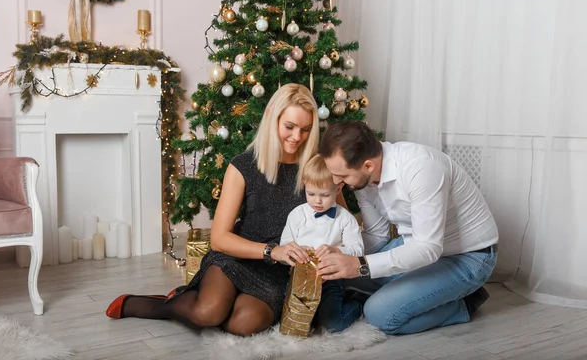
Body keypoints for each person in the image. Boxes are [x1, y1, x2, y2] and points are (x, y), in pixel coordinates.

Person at [105, 83, 320, 336]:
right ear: (273, 116)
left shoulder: (316, 169)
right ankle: (161, 304)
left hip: (279, 271)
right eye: (290, 127)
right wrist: (273, 251)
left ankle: (201, 298)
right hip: (237, 256)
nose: (297, 137)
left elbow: (340, 219)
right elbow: (219, 239)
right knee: (208, 312)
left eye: (306, 130)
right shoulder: (244, 165)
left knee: (243, 324)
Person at [316, 120, 499, 335]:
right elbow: (377, 235)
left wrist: (359, 266)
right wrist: (344, 253)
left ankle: (463, 302)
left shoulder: (421, 168)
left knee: (379, 314)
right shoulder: (362, 180)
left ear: (368, 165)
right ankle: (412, 294)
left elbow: (428, 248)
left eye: (343, 175)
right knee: (341, 280)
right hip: (414, 246)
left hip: (468, 257)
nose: (336, 182)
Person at [279, 154, 364, 332]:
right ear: (304, 185)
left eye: (325, 195)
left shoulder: (345, 219)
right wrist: (295, 251)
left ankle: (359, 300)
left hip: (331, 280)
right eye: (311, 194)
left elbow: (358, 250)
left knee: (333, 324)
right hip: (298, 279)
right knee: (294, 321)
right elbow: (285, 246)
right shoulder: (296, 215)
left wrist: (337, 250)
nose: (317, 201)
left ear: (339, 188)